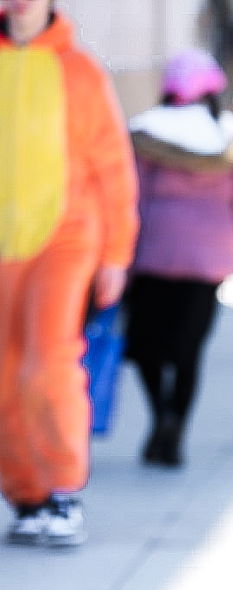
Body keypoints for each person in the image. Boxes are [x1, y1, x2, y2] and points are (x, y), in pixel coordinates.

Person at [0, 0, 138, 547]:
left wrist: (116, 254)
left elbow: (113, 168)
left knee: (47, 363)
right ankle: (27, 493)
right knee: (7, 374)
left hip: (66, 236)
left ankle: (63, 490)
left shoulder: (80, 71)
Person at [124, 49, 233, 466]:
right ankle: (175, 426)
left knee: (147, 348)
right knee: (189, 351)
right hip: (208, 264)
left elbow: (126, 197)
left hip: (151, 258)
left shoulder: (146, 136)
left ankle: (161, 415)